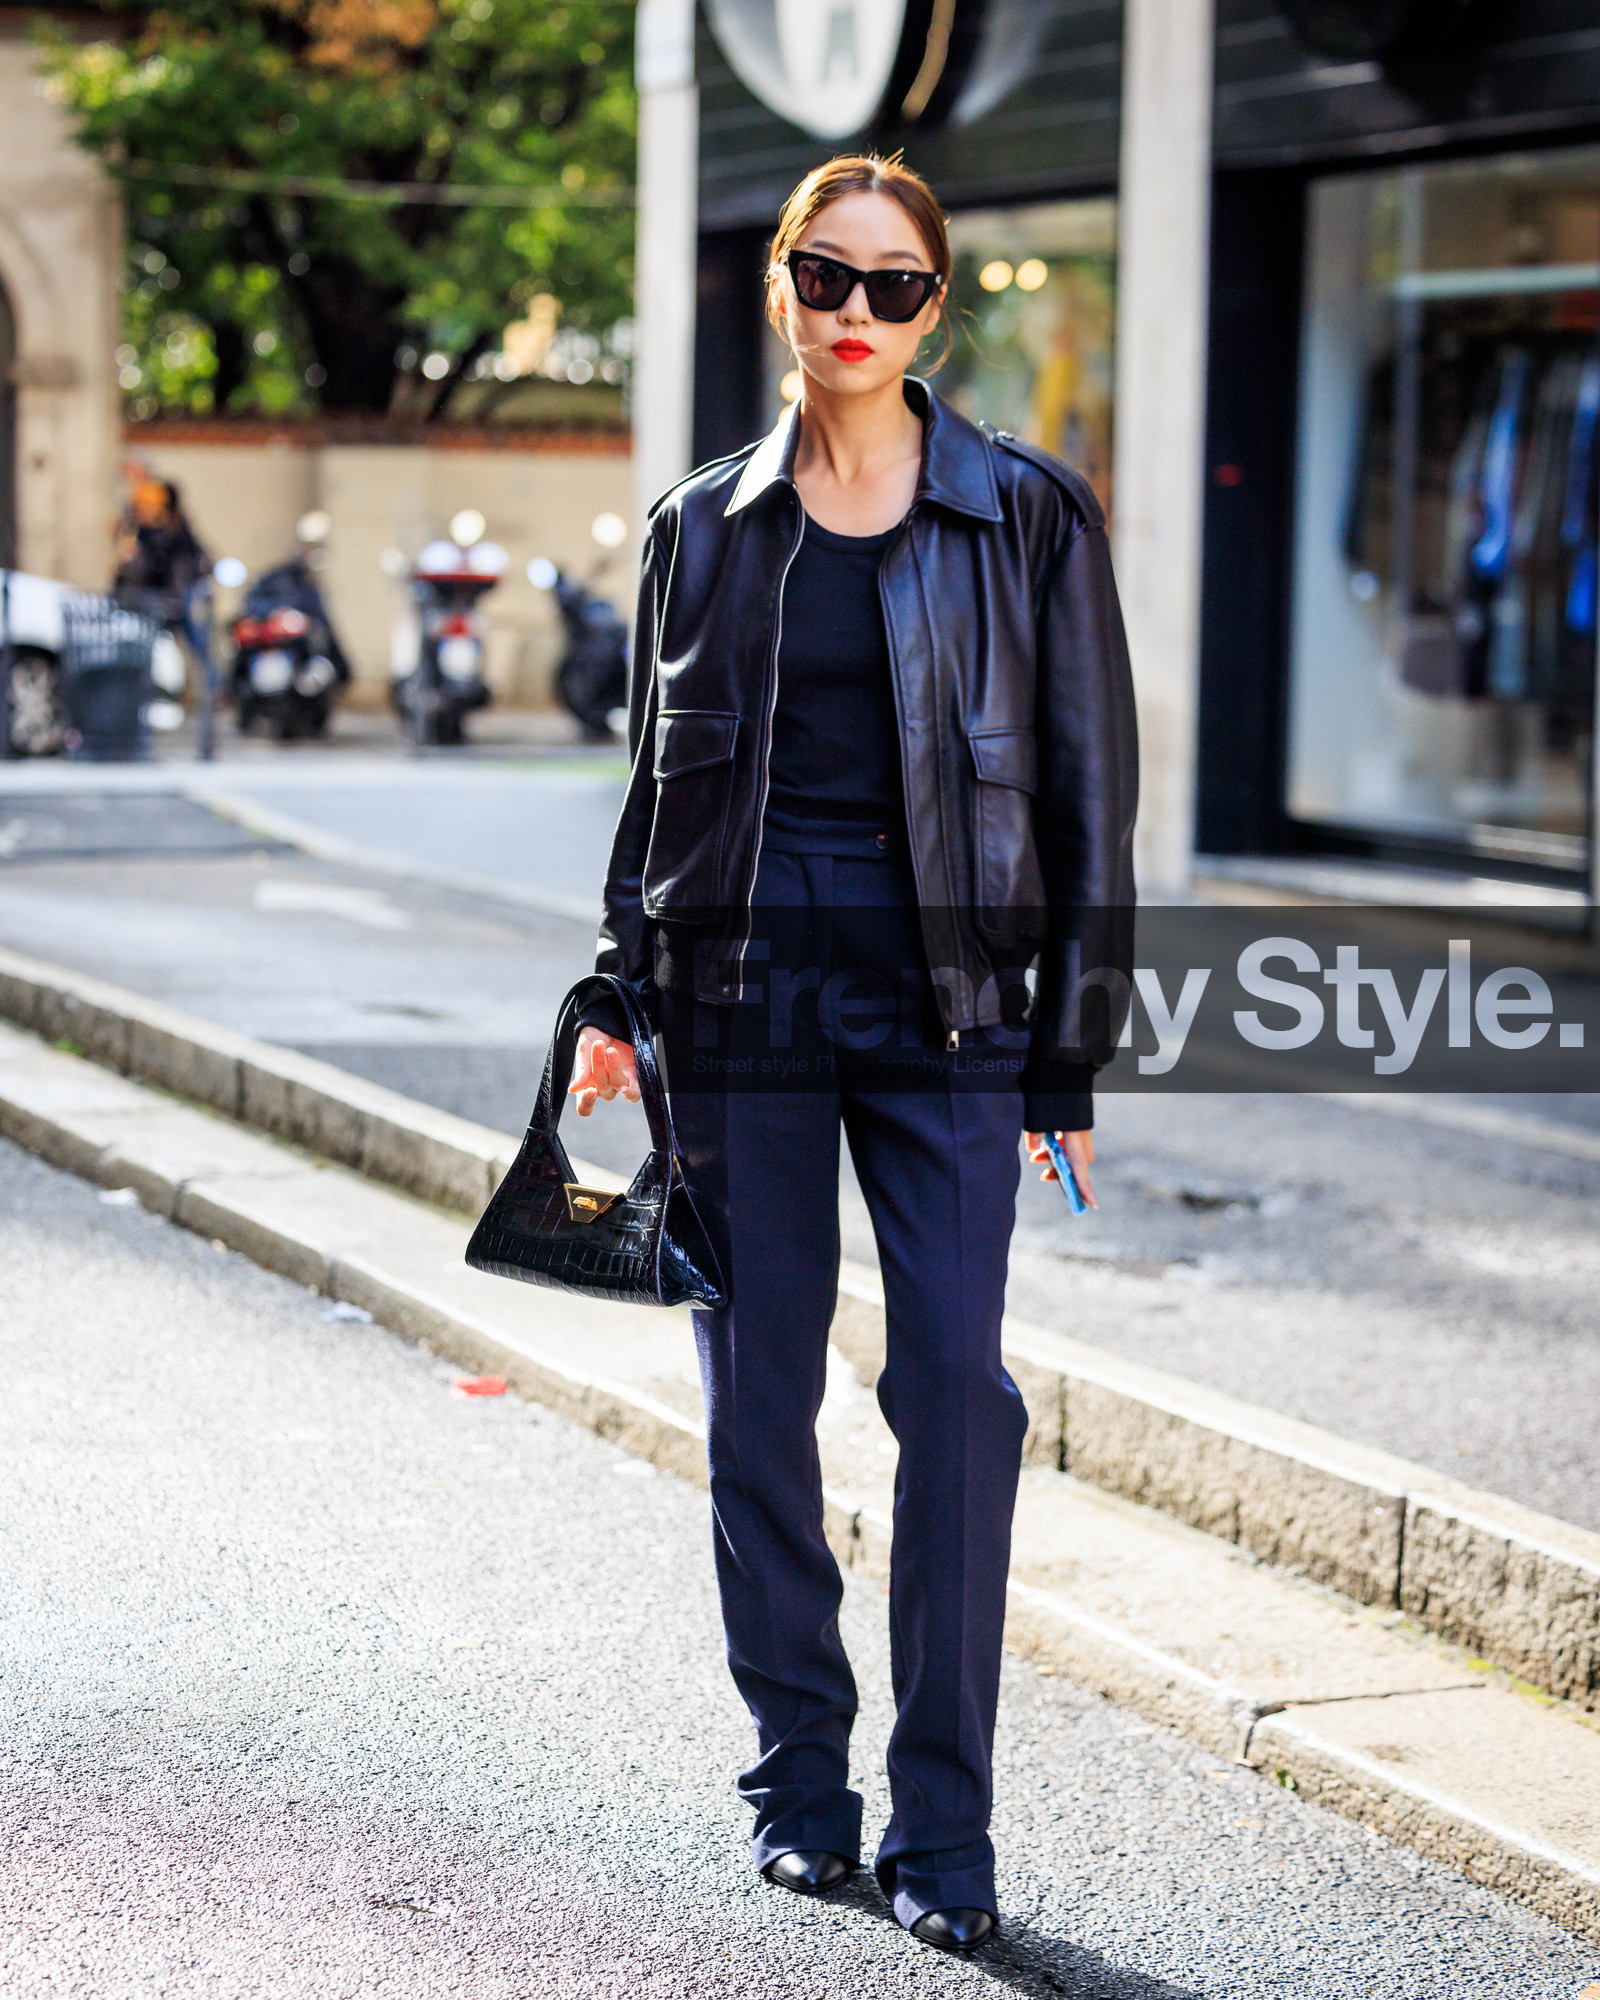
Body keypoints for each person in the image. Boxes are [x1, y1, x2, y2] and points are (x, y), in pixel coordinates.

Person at [569, 153, 1137, 1956]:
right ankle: (798, 1781)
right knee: (756, 1406)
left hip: (952, 1017)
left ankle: (946, 1829)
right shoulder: (704, 525)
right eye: (831, 277)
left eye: (897, 286)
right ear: (783, 290)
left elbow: (1092, 800)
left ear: (938, 309)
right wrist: (612, 1006)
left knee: (956, 1402)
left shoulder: (1028, 518)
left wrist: (1071, 1060)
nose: (859, 314)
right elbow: (657, 788)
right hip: (739, 1011)